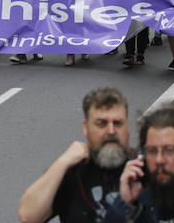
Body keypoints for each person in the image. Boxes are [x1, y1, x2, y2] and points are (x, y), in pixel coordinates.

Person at [18, 87, 131, 223]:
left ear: (127, 127)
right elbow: (28, 216)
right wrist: (63, 161)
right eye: (101, 123)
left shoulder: (144, 166)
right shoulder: (72, 171)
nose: (111, 131)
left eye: (118, 123)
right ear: (86, 128)